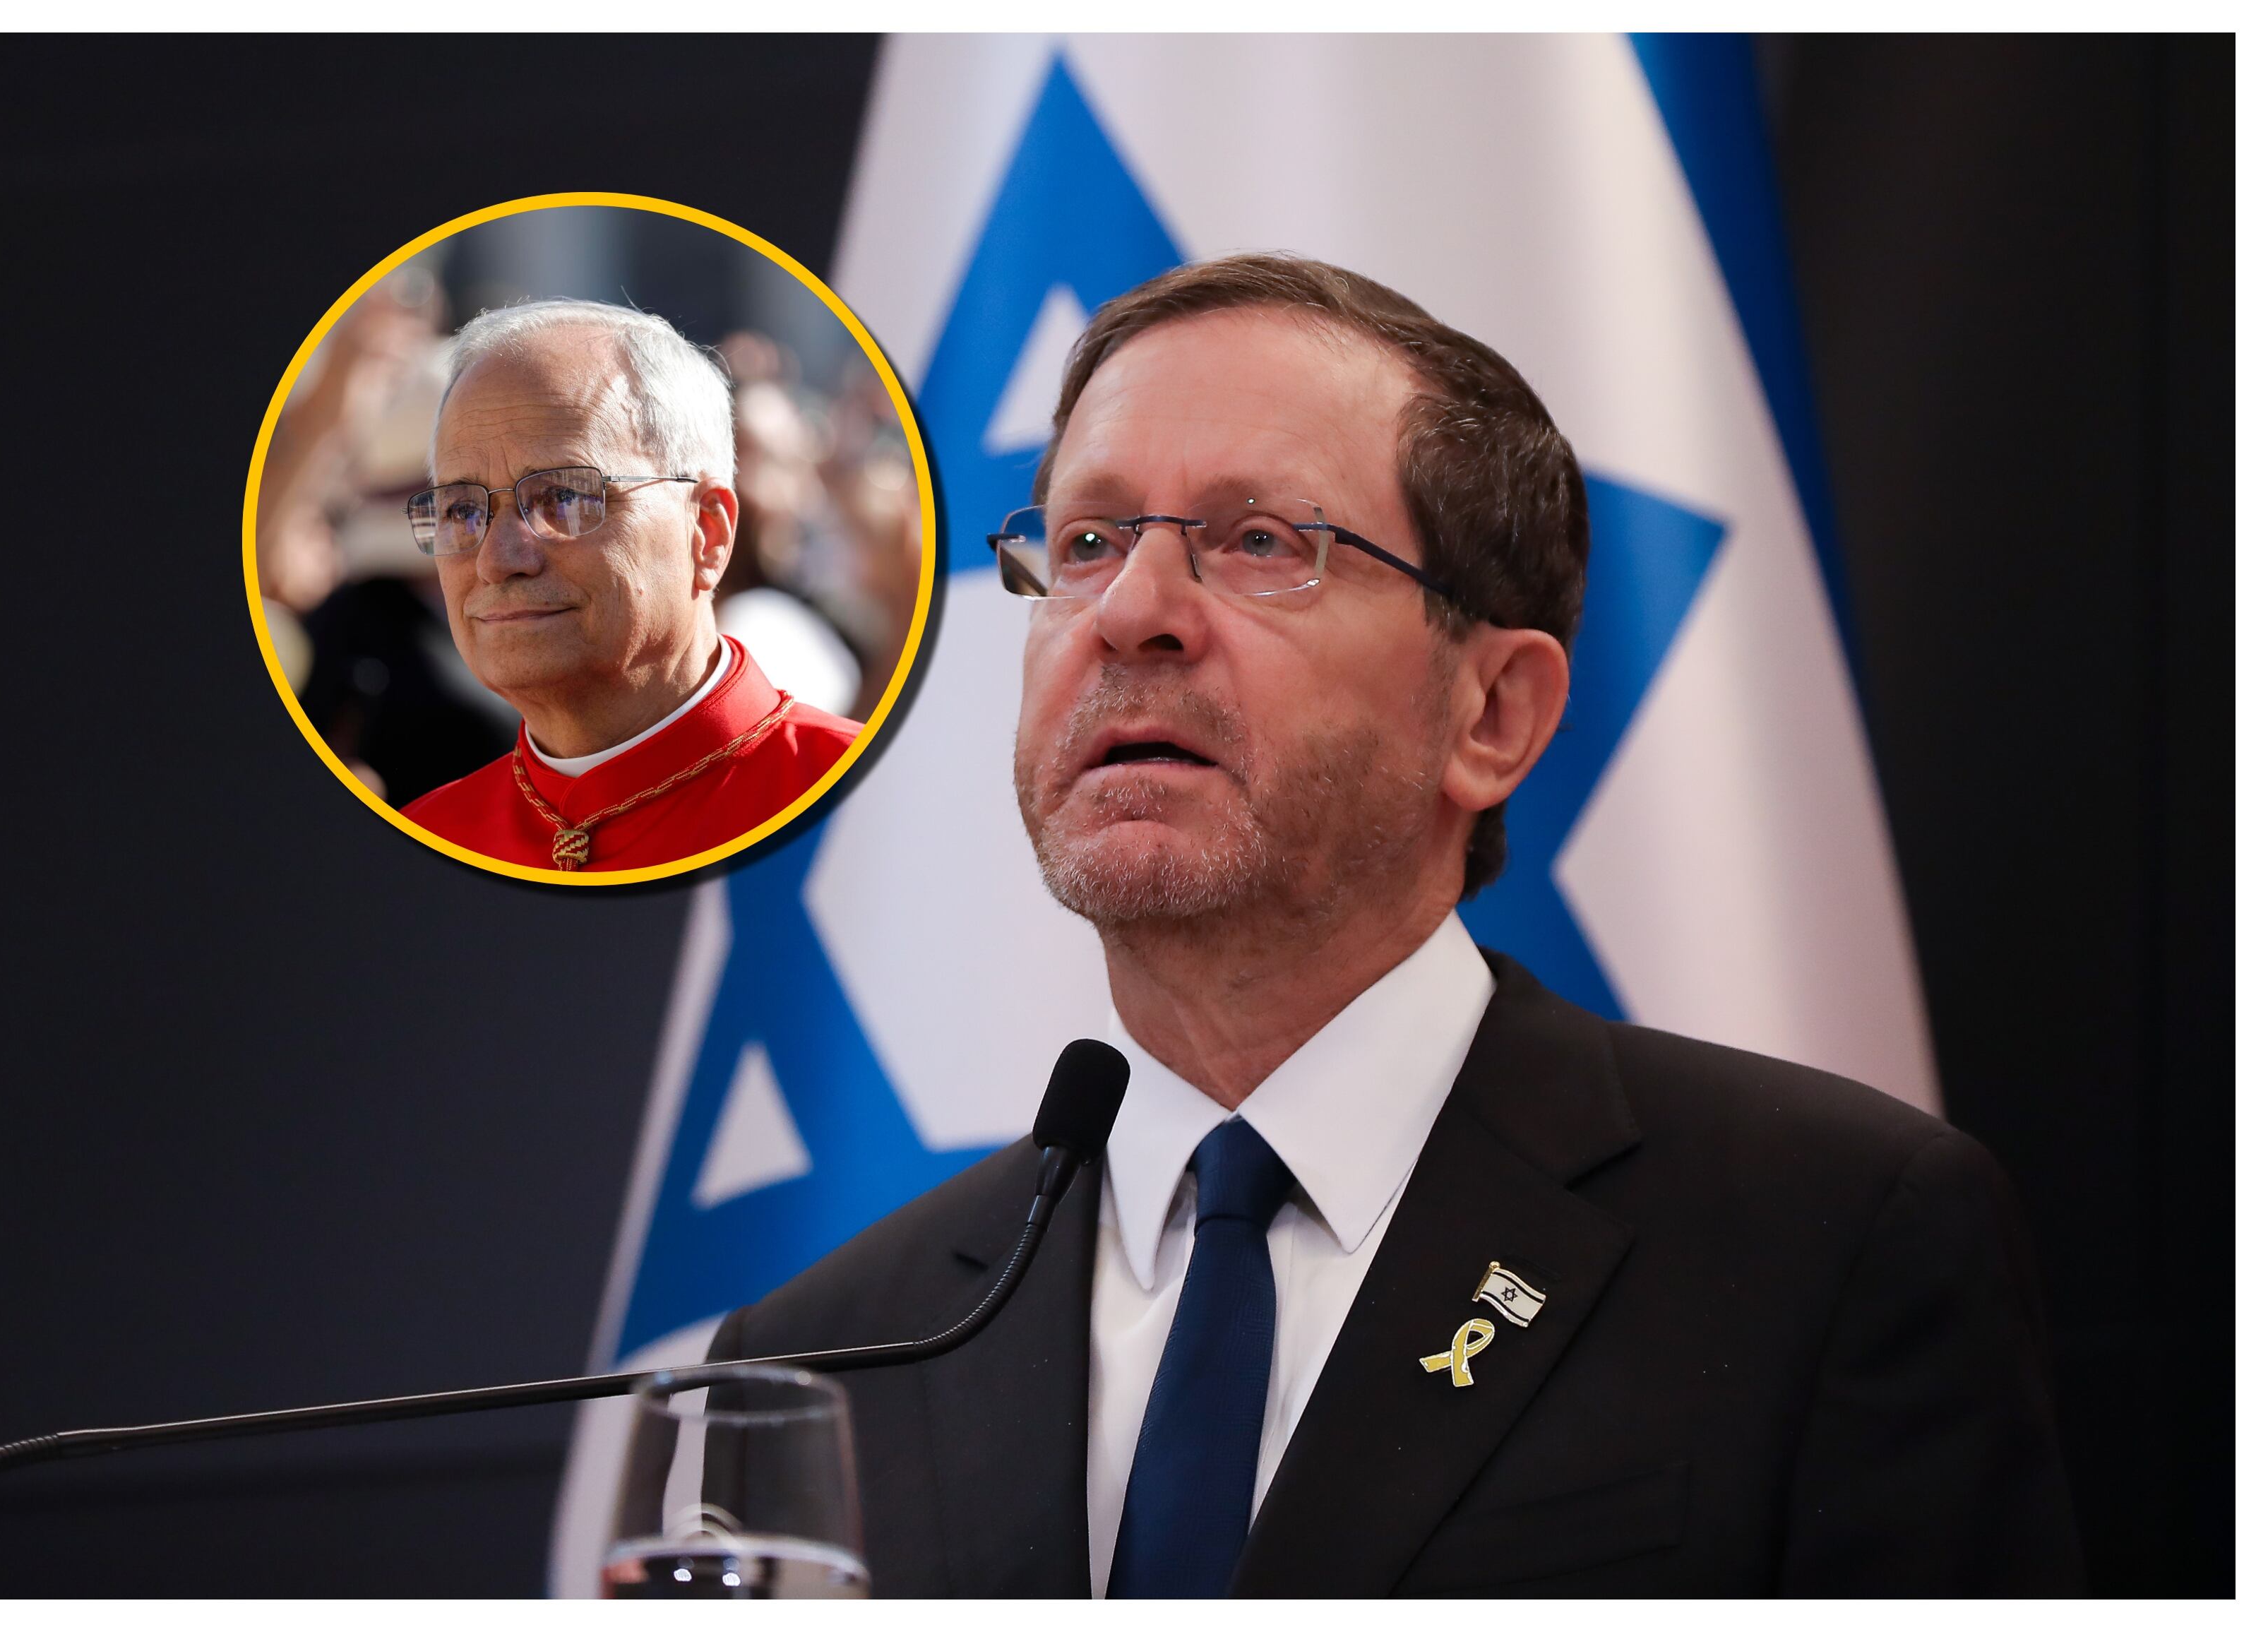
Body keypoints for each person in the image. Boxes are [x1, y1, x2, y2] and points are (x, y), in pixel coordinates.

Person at [706, 256, 2084, 1595]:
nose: (1130, 614)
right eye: (1084, 542)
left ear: (1492, 716)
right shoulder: (821, 1354)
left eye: (1259, 541)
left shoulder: (1827, 1240)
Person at [400, 300, 860, 872]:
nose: (498, 560)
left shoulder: (860, 802)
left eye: (563, 497)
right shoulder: (427, 839)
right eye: (462, 509)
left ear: (707, 531)